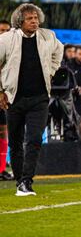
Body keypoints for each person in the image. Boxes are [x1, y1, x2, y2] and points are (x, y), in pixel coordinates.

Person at [0, 3, 63, 195]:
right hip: (14, 98)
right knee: (15, 143)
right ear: (20, 21)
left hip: (39, 98)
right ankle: (20, 180)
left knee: (34, 139)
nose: (35, 21)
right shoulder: (5, 39)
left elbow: (58, 52)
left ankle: (26, 181)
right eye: (30, 18)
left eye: (36, 17)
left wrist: (51, 71)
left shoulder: (48, 36)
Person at [0, 19, 12, 181]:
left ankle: (1, 168)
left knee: (3, 132)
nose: (3, 33)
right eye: (1, 30)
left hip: (5, 98)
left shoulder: (12, 52)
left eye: (6, 30)